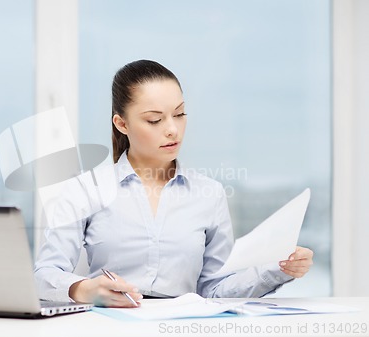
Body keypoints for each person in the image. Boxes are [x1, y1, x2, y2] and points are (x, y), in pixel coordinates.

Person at [34, 59, 314, 307]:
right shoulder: (86, 190)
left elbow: (214, 291)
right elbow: (44, 274)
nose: (172, 129)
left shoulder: (210, 195)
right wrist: (83, 288)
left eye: (179, 114)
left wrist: (277, 268)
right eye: (154, 120)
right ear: (122, 124)